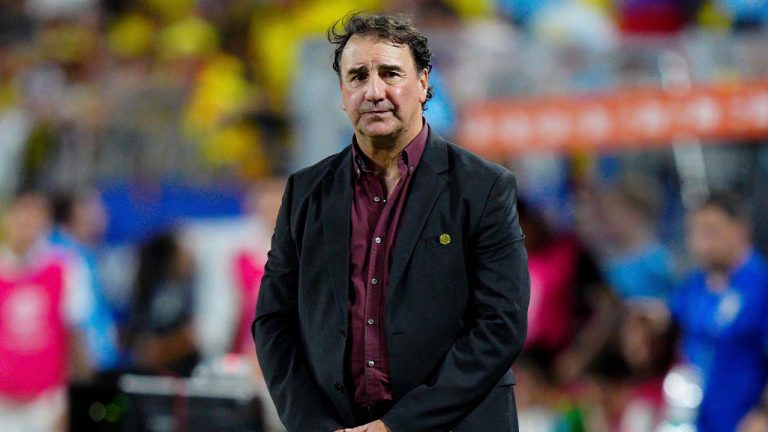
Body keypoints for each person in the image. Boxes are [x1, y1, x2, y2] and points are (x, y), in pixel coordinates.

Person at [252, 12, 530, 432]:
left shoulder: (484, 188)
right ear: (342, 92)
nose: (374, 91)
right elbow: (274, 321)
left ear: (422, 84)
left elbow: (499, 327)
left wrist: (395, 427)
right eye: (358, 76)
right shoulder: (305, 192)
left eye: (390, 73)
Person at [671, 193, 768, 432]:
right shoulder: (695, 285)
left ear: (740, 230)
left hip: (743, 421)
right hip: (695, 419)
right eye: (695, 232)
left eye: (711, 231)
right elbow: (669, 321)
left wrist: (764, 414)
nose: (701, 242)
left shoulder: (760, 286)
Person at [0, 190, 93, 432]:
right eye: (23, 212)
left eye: (37, 214)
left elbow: (76, 337)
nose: (28, 221)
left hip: (46, 405)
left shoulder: (65, 268)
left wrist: (74, 401)